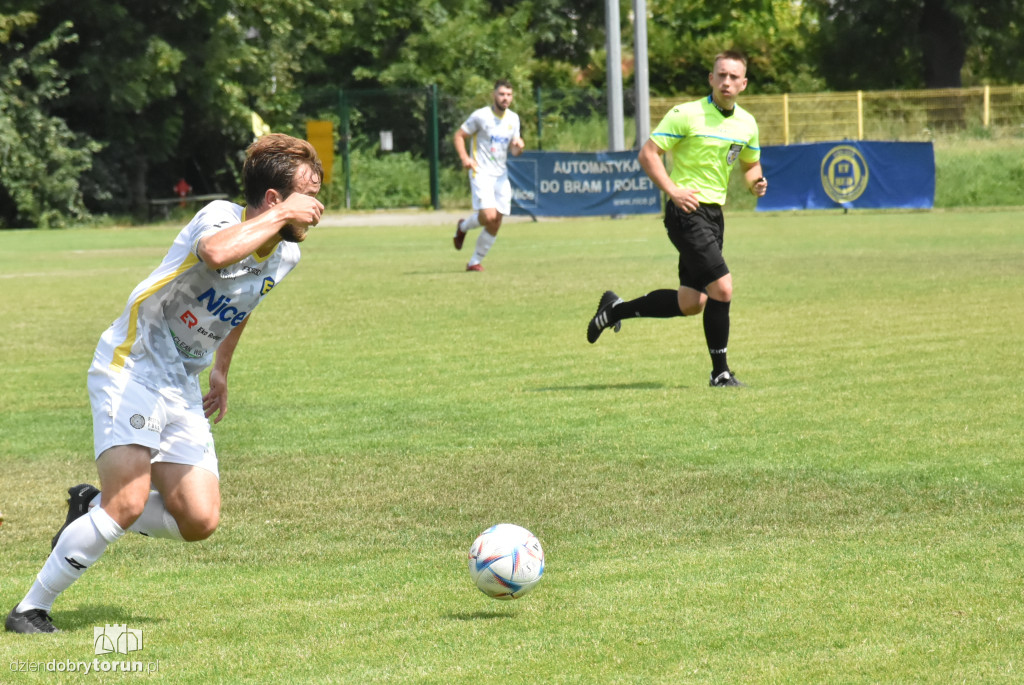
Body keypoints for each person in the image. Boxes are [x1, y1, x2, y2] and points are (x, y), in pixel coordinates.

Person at [5, 133, 325, 633]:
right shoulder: (221, 216)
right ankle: (30, 608)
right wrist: (285, 216)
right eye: (309, 194)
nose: (317, 206)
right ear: (273, 200)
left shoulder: (285, 257)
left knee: (198, 520)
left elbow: (243, 304)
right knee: (127, 503)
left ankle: (88, 506)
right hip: (131, 364)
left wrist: (220, 368)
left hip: (180, 382)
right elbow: (218, 254)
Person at [586, 50, 768, 387]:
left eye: (733, 77)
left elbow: (749, 164)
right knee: (723, 289)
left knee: (691, 303)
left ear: (743, 84)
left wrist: (755, 182)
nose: (726, 81)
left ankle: (614, 310)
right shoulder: (686, 114)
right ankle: (720, 372)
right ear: (711, 79)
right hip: (686, 212)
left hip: (714, 216)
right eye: (721, 75)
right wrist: (673, 189)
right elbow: (648, 154)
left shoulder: (746, 124)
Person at [451, 79, 525, 271]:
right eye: (502, 94)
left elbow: (514, 150)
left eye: (509, 95)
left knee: (496, 221)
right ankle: (464, 228)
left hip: (501, 175)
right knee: (488, 215)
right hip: (481, 172)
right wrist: (465, 158)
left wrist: (518, 147)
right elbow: (459, 136)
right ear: (494, 95)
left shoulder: (513, 119)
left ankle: (474, 261)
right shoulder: (481, 116)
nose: (505, 98)